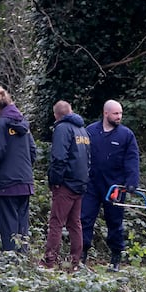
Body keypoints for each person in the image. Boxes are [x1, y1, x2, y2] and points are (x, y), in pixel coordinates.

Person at [80, 99, 140, 272]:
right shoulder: (90, 131)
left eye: (120, 113)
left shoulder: (126, 135)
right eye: (115, 113)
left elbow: (132, 159)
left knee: (115, 221)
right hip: (91, 184)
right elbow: (81, 156)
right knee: (85, 218)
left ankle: (115, 258)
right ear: (106, 113)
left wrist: (131, 182)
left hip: (115, 185)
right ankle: (82, 256)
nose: (119, 116)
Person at [0, 87, 37, 252]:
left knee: (8, 225)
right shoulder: (24, 124)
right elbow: (33, 151)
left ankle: (11, 260)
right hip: (25, 181)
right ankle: (23, 260)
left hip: (6, 182)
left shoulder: (1, 124)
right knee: (22, 224)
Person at [44, 100, 90, 268]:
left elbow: (59, 157)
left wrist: (55, 180)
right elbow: (88, 159)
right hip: (80, 183)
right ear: (70, 111)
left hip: (66, 184)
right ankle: (75, 261)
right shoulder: (82, 130)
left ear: (56, 115)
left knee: (56, 222)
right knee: (75, 223)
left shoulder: (62, 129)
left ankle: (50, 260)